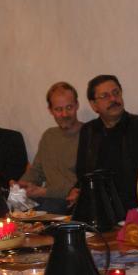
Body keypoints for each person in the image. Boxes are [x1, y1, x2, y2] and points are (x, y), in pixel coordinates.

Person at [73, 75, 138, 211]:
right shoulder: (89, 131)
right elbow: (83, 172)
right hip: (98, 205)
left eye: (116, 93)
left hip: (137, 205)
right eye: (105, 96)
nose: (113, 99)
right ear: (94, 105)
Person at [13, 82, 83, 214]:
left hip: (71, 202)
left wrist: (44, 192)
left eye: (69, 107)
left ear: (77, 105)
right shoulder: (49, 136)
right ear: (50, 110)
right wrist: (20, 186)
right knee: (12, 203)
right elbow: (36, 171)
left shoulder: (89, 134)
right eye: (58, 109)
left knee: (47, 208)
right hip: (48, 199)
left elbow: (82, 185)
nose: (64, 114)